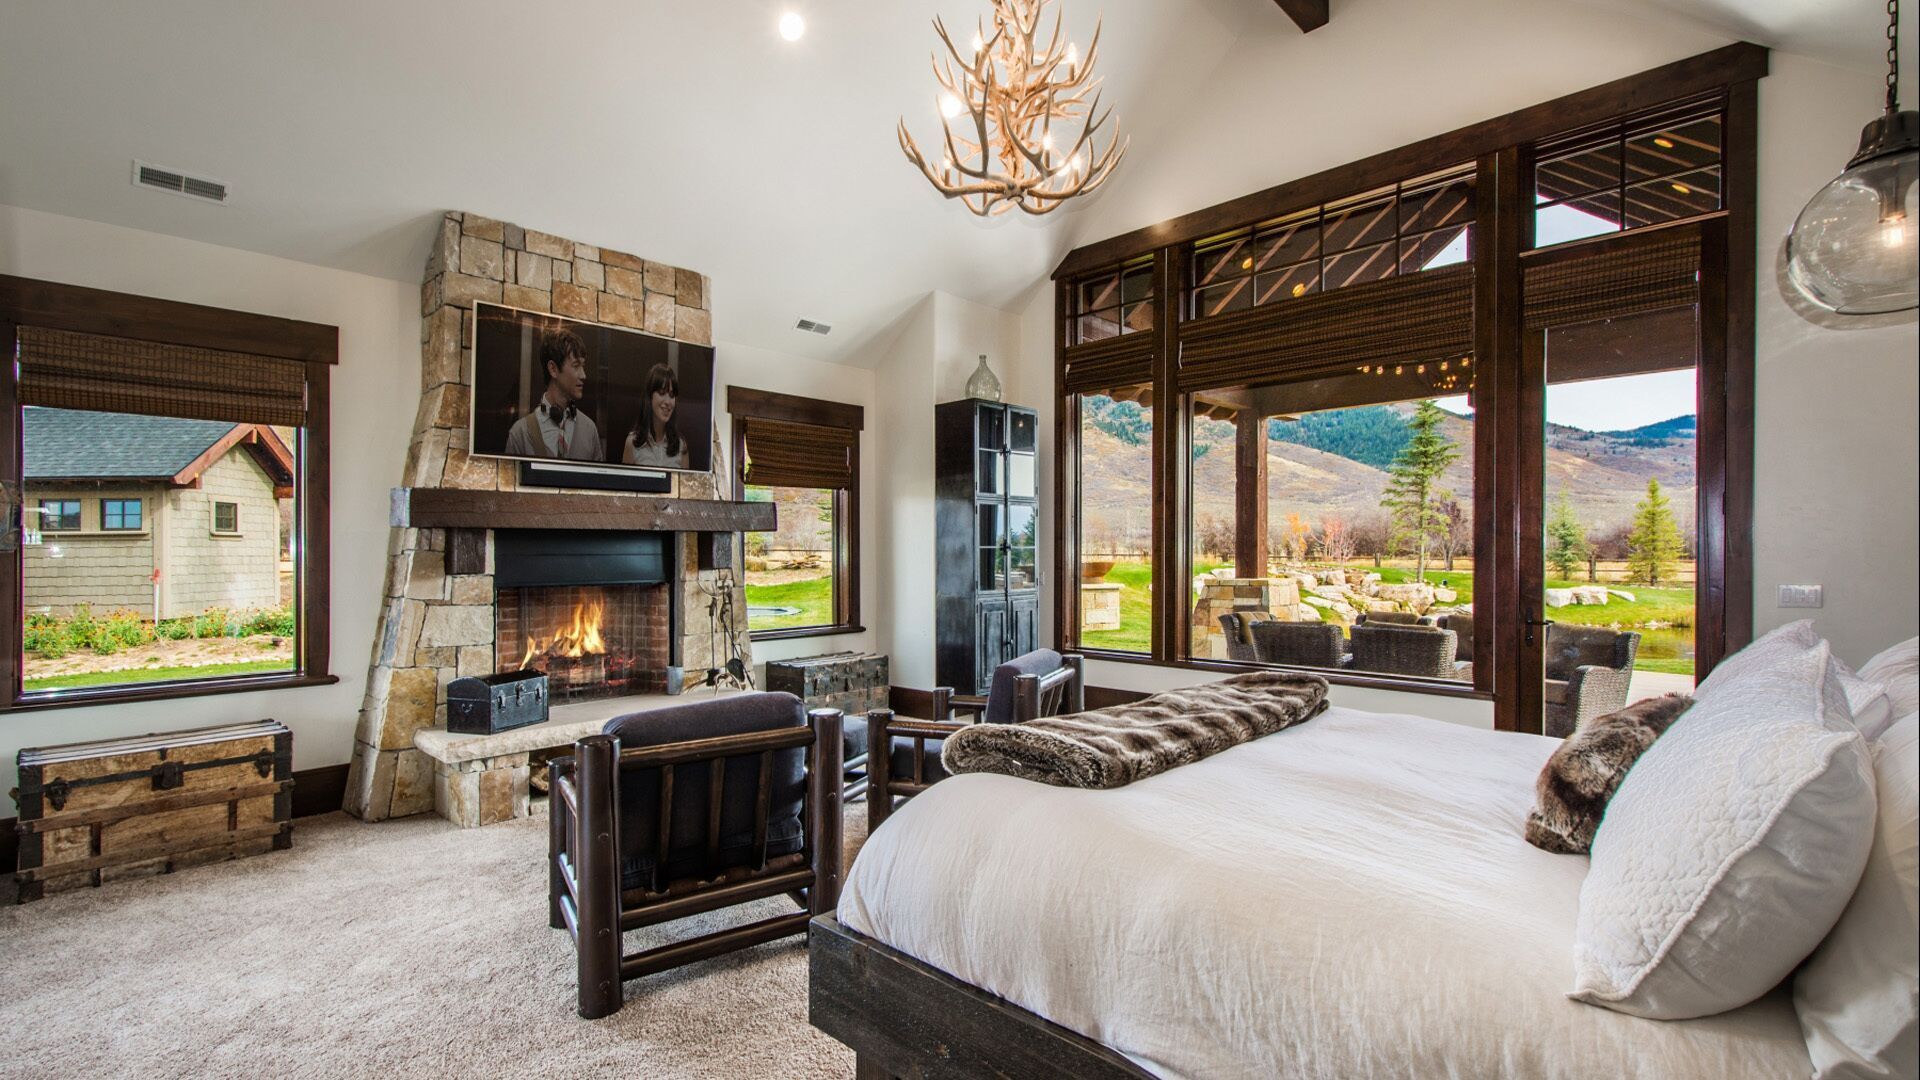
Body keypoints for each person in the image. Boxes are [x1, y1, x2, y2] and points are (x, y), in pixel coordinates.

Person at [502, 327, 604, 461]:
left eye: (583, 366)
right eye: (576, 366)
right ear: (553, 369)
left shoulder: (589, 429)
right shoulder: (520, 433)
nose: (583, 375)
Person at [623, 362, 692, 469]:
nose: (668, 402)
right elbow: (624, 484)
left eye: (672, 395)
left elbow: (683, 486)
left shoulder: (681, 446)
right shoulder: (632, 442)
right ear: (650, 396)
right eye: (662, 393)